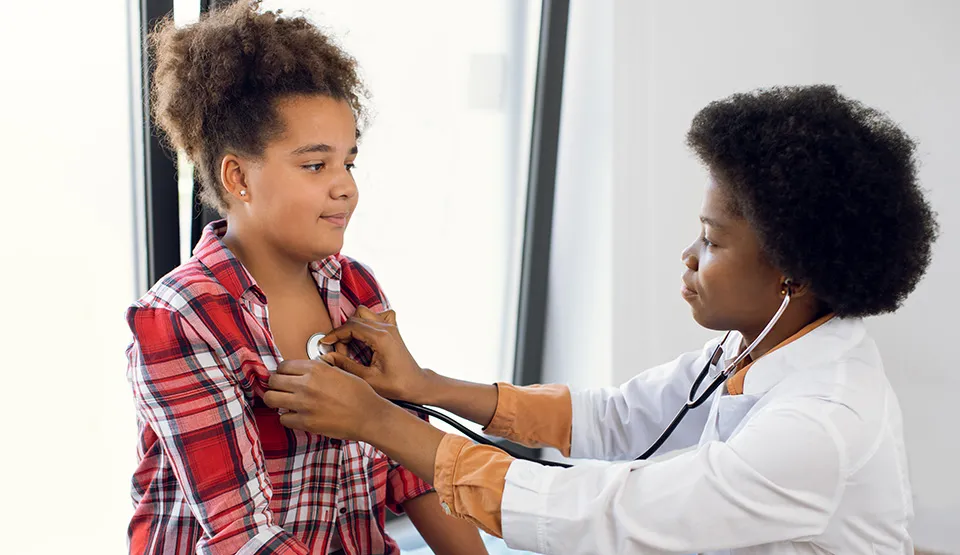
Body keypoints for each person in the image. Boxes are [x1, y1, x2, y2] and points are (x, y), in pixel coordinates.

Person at [263, 85, 939, 554]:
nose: (689, 254)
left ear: (792, 269)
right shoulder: (754, 349)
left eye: (712, 239)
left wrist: (378, 421)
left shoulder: (820, 424)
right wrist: (426, 386)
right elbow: (614, 418)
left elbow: (604, 513)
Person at [124, 2, 487, 553]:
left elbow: (412, 470)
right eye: (316, 166)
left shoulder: (356, 291)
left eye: (350, 162)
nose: (346, 188)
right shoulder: (183, 319)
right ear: (238, 176)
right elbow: (241, 537)